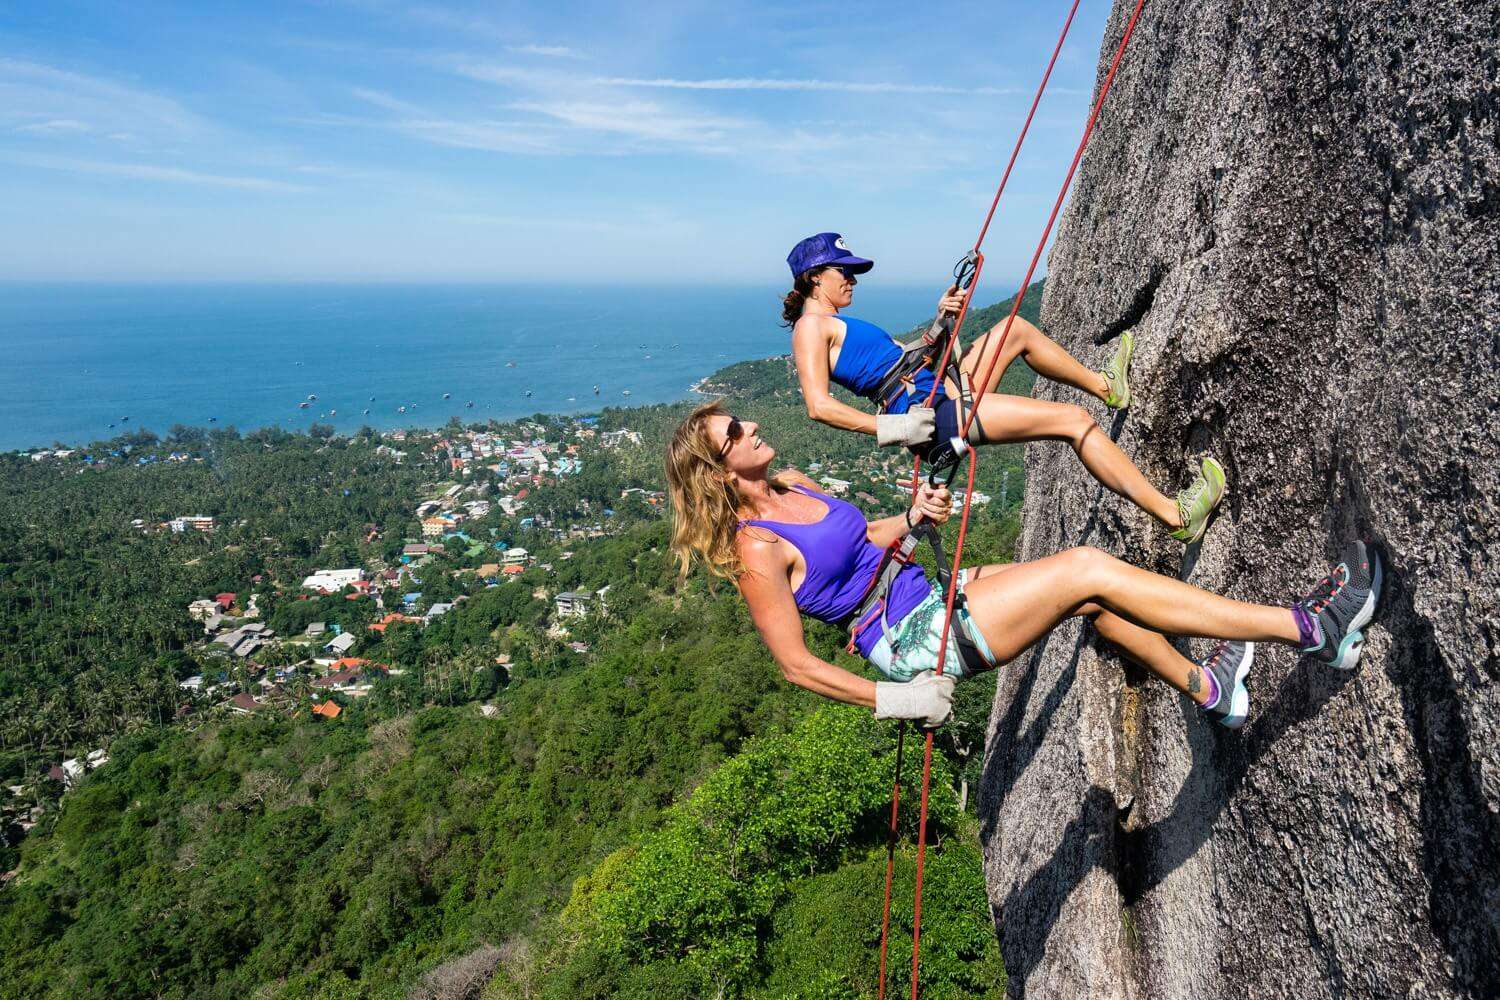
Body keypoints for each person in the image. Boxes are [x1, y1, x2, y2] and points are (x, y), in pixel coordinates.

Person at [665, 402, 1382, 728]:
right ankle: (1310, 628)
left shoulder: (794, 483)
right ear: (719, 469)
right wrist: (901, 701)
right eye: (734, 431)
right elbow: (795, 665)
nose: (751, 426)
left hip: (925, 590)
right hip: (912, 639)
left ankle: (1211, 688)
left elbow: (862, 538)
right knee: (1087, 571)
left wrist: (912, 521)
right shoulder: (756, 548)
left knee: (1091, 601)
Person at [782, 231, 1224, 543]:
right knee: (1074, 422)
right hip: (927, 416)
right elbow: (818, 407)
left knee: (1015, 329)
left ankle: (1108, 386)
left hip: (932, 390)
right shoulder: (810, 328)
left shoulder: (835, 322)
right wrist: (895, 429)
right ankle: (1175, 516)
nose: (853, 279)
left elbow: (901, 361)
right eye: (846, 270)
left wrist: (940, 322)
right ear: (816, 275)